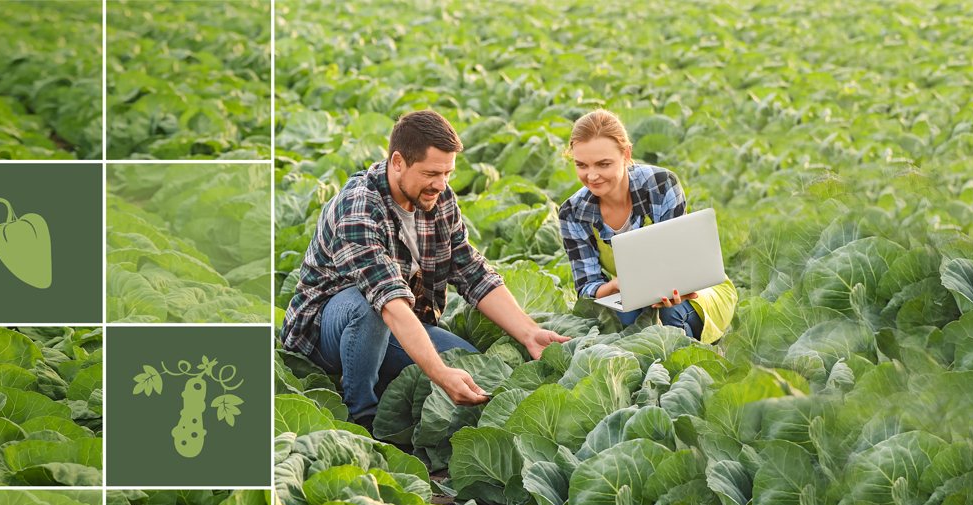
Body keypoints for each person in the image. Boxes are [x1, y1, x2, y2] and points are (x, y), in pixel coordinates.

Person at [281, 110, 571, 429]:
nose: (441, 184)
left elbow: (470, 269)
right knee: (369, 306)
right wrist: (440, 374)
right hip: (327, 332)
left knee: (474, 370)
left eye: (447, 173)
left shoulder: (437, 198)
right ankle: (361, 414)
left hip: (397, 323)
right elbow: (389, 301)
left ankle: (382, 377)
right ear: (398, 163)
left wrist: (529, 332)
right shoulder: (358, 209)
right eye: (431, 173)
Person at [558, 109, 737, 343]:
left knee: (670, 311)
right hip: (631, 294)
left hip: (696, 287)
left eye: (603, 164)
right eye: (581, 165)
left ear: (626, 154)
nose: (592, 176)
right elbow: (586, 287)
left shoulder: (660, 184)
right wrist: (617, 285)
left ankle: (694, 363)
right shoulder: (572, 212)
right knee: (626, 316)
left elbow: (681, 266)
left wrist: (675, 287)